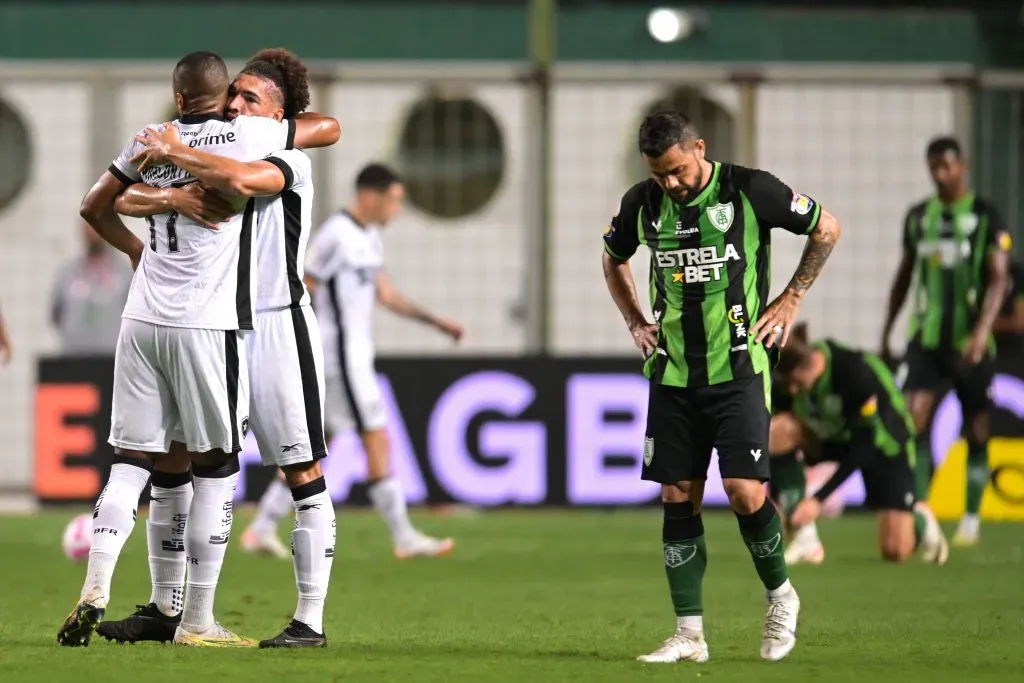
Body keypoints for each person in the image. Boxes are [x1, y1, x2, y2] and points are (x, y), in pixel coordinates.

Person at [58, 51, 318, 649]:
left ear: (176, 97)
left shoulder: (155, 138)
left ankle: (94, 590)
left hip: (141, 318)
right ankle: (196, 620)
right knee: (219, 467)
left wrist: (135, 243)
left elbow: (95, 204)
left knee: (131, 463)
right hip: (207, 324)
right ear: (225, 93)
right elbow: (322, 129)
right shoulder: (249, 135)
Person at [603, 111, 841, 664]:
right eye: (660, 174)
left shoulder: (751, 190)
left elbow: (827, 227)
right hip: (672, 374)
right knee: (676, 494)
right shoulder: (643, 202)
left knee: (744, 491)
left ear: (700, 149)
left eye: (678, 170)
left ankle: (781, 595)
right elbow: (614, 259)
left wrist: (791, 298)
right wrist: (636, 321)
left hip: (738, 370)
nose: (671, 183)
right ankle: (689, 634)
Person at [261, 163, 460, 559]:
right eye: (394, 201)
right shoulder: (336, 235)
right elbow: (303, 281)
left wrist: (435, 322)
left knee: (318, 445)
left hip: (355, 357)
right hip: (341, 358)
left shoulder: (368, 236)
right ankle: (404, 538)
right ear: (371, 196)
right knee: (377, 436)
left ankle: (263, 525)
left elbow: (385, 294)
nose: (396, 211)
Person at [880, 137, 1011, 547]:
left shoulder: (986, 215)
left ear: (962, 166)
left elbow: (998, 278)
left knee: (976, 429)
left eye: (947, 167)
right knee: (913, 421)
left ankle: (970, 520)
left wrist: (980, 332)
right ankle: (921, 516)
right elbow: (904, 275)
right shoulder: (919, 216)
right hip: (927, 336)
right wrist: (887, 329)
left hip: (969, 341)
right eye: (934, 167)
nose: (940, 174)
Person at [769, 325, 949, 564]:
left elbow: (864, 448)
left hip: (883, 446)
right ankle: (805, 537)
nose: (792, 390)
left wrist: (818, 500)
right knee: (778, 430)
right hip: (832, 437)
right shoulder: (790, 378)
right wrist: (778, 496)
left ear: (810, 363)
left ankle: (920, 518)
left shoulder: (854, 372)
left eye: (794, 382)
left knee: (895, 550)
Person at [50, 222, 133, 355]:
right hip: (74, 358)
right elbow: (56, 314)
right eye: (89, 223)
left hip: (112, 359)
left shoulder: (125, 273)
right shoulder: (68, 272)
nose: (93, 231)